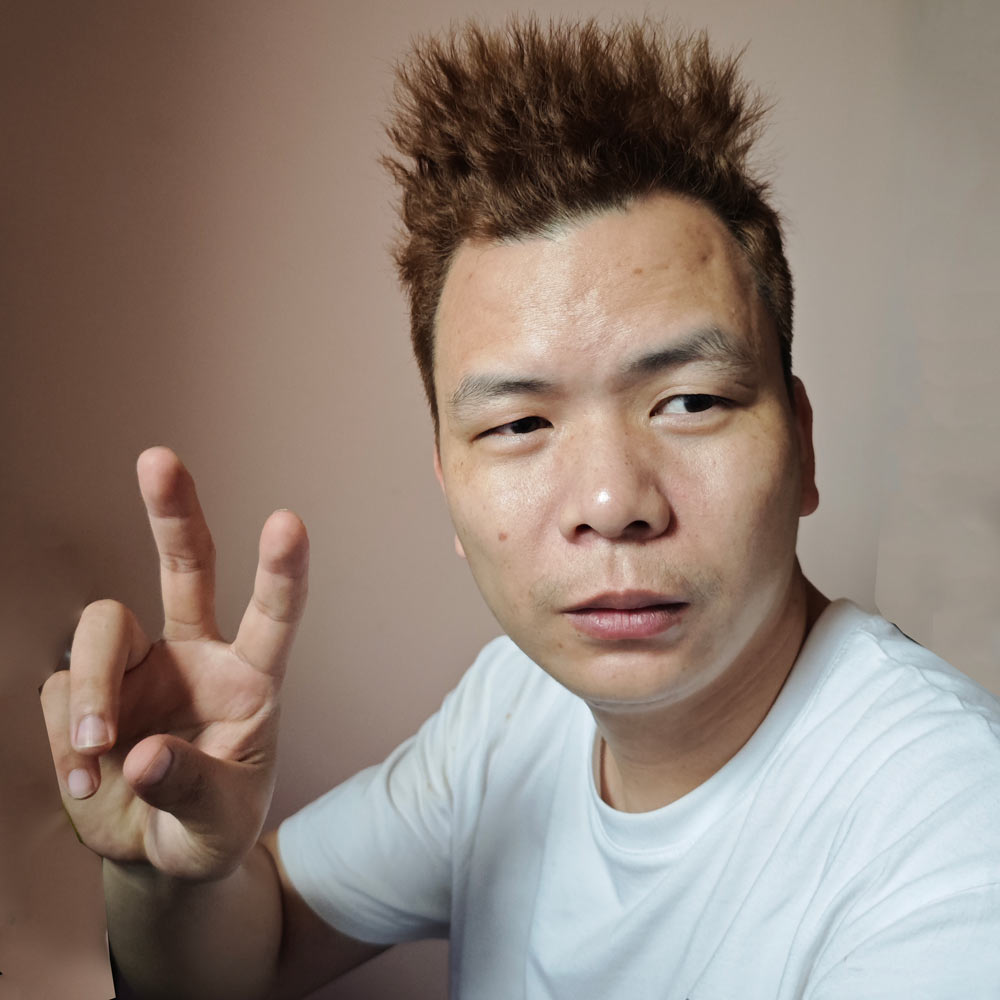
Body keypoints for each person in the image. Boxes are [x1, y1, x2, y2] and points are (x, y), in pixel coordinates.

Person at [40, 17, 1000, 1000]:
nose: (611, 503)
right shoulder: (514, 706)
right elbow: (261, 946)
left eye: (690, 403)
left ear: (802, 446)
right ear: (448, 487)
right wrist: (170, 869)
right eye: (519, 424)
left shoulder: (954, 833)